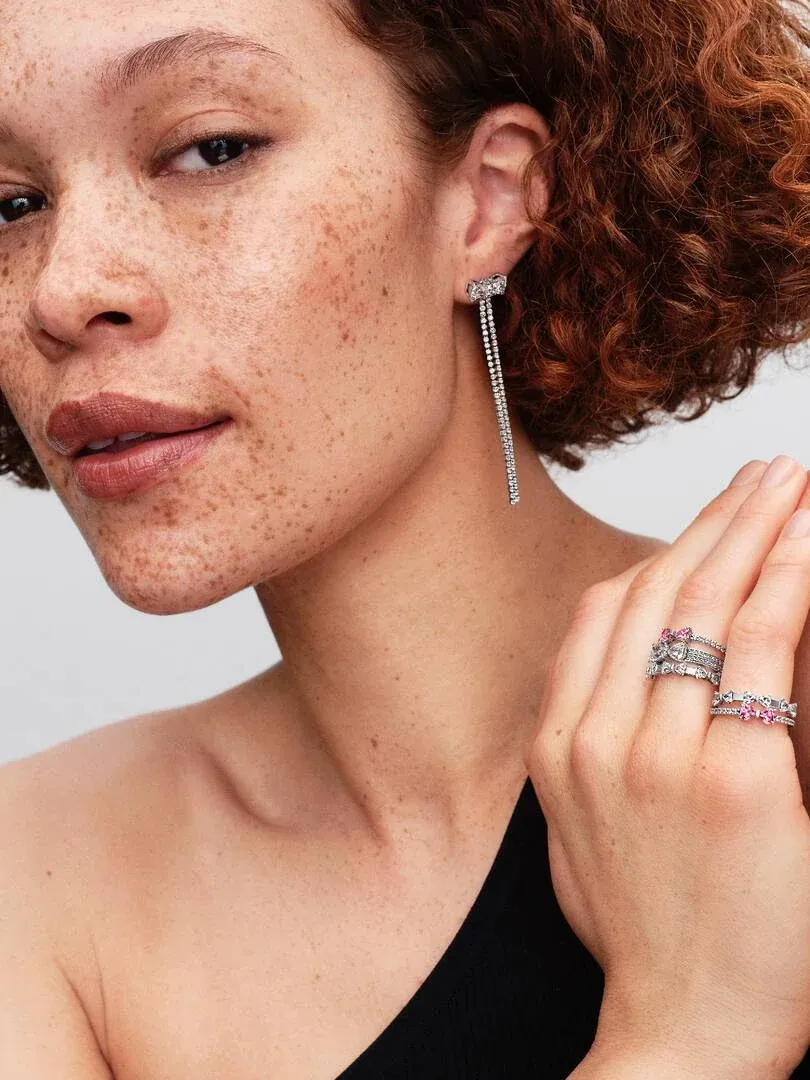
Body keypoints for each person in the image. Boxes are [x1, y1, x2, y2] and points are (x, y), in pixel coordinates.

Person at [1, 0, 810, 1076]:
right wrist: (692, 1033)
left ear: (488, 200)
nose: (62, 291)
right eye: (10, 204)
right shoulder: (39, 880)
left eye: (211, 148)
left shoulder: (785, 720)